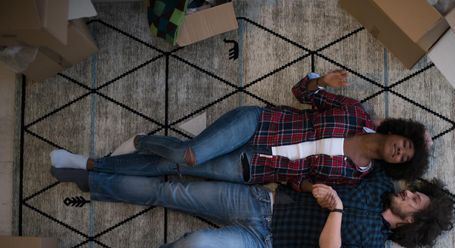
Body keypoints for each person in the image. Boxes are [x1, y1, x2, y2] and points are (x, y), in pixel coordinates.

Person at [50, 70, 430, 191]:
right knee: (189, 154)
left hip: (254, 168)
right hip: (259, 123)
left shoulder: (356, 176)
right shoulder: (353, 112)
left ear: (397, 165)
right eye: (406, 145)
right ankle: (145, 141)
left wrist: (305, 187)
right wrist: (320, 80)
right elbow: (299, 92)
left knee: (176, 168)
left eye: (405, 157)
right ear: (400, 133)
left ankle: (92, 165)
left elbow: (305, 184)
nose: (401, 151)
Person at [50, 164, 455, 248]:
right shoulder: (379, 183)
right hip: (263, 204)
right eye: (415, 190)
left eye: (416, 199)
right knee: (171, 191)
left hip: (265, 246)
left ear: (412, 222)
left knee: (197, 244)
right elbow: (386, 146)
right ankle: (96, 181)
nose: (408, 192)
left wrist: (336, 209)